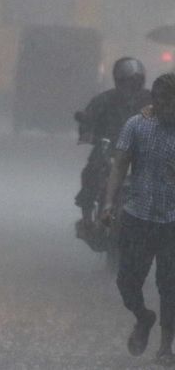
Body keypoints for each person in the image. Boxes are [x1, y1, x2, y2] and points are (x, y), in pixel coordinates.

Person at [101, 73, 175, 364]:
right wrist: (108, 203)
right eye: (164, 102)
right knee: (127, 282)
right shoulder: (137, 125)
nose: (169, 108)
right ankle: (143, 316)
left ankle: (166, 346)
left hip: (172, 222)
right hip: (138, 216)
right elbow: (120, 165)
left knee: (169, 285)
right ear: (154, 102)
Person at [76, 57, 152, 227]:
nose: (131, 86)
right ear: (119, 80)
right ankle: (87, 217)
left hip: (143, 152)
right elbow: (89, 118)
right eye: (127, 82)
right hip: (109, 148)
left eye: (136, 82)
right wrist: (87, 132)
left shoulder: (153, 100)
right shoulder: (104, 100)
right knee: (92, 170)